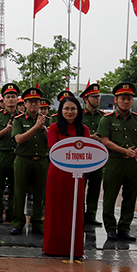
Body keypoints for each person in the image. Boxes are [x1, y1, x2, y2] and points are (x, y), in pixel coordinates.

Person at [97, 82, 137, 241]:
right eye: (122, 98)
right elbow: (105, 141)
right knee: (110, 197)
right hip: (114, 162)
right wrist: (124, 150)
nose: (126, 101)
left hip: (133, 163)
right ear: (116, 100)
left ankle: (124, 228)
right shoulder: (107, 119)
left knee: (130, 197)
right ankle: (111, 228)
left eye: (129, 98)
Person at [43, 96, 89, 257]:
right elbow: (52, 148)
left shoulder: (84, 130)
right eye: (66, 108)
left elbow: (87, 152)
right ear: (60, 111)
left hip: (76, 175)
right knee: (55, 209)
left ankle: (74, 249)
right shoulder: (54, 127)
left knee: (74, 208)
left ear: (78, 111)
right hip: (57, 173)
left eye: (73, 109)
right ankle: (52, 247)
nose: (69, 112)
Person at [11, 87, 48, 236]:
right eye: (30, 102)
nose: (34, 105)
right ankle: (18, 222)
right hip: (23, 159)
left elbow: (52, 141)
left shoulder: (47, 120)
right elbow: (19, 139)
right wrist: (35, 127)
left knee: (40, 193)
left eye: (36, 102)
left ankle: (37, 221)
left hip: (41, 160)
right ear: (25, 103)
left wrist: (43, 127)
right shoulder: (18, 120)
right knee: (20, 193)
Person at [0, 83, 20, 225]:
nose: (11, 100)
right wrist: (5, 130)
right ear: (4, 100)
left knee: (16, 185)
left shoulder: (22, 117)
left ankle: (12, 211)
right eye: (8, 97)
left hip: (17, 155)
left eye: (13, 96)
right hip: (1, 154)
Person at [80, 83, 105, 227]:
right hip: (82, 157)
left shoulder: (103, 117)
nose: (97, 99)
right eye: (94, 97)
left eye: (98, 96)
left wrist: (100, 139)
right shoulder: (79, 116)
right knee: (80, 187)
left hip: (97, 158)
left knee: (95, 187)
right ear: (86, 99)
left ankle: (91, 214)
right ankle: (79, 213)